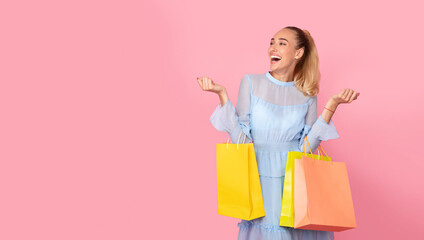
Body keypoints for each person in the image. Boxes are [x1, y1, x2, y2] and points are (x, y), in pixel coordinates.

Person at [197, 26, 359, 240]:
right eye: (272, 42)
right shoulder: (251, 82)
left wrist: (331, 106)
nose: (273, 48)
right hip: (260, 176)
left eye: (282, 43)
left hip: (296, 178)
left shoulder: (307, 93)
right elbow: (241, 142)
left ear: (298, 53)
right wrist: (222, 96)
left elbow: (306, 149)